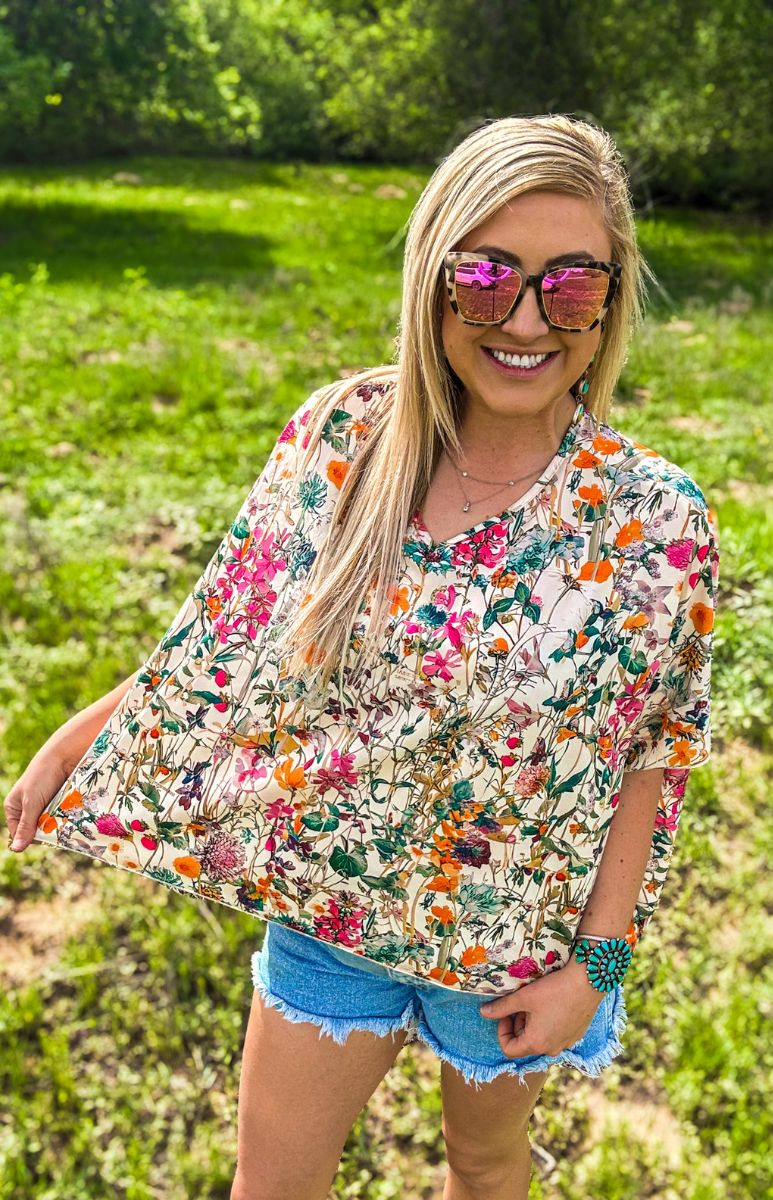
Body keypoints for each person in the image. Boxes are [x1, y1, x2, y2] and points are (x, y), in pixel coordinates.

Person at [5, 113, 719, 1200]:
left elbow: (653, 754)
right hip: (329, 913)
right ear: (432, 279)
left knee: (484, 1166)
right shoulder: (348, 435)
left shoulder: (653, 518)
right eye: (485, 277)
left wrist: (597, 964)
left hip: (513, 945)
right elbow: (237, 632)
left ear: (610, 301)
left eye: (571, 286)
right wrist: (88, 733)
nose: (527, 320)